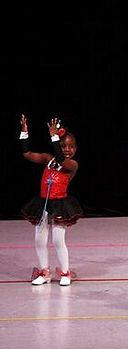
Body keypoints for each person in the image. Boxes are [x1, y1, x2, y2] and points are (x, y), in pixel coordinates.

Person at [19, 114, 83, 286]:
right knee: (39, 239)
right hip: (43, 204)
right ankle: (44, 271)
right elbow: (27, 154)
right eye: (63, 146)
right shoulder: (48, 158)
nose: (67, 149)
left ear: (76, 148)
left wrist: (54, 136)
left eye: (71, 146)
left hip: (60, 205)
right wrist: (24, 133)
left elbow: (61, 160)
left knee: (57, 240)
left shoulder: (72, 165)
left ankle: (65, 272)